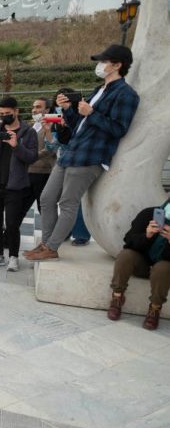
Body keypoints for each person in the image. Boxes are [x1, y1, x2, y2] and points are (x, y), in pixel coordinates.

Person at [28, 44, 140, 262]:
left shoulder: (126, 94)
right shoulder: (99, 90)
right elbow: (79, 123)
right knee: (47, 197)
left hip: (90, 157)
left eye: (104, 61)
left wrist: (92, 112)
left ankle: (51, 247)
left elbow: (119, 128)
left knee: (68, 203)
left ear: (117, 65)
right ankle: (46, 244)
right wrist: (68, 109)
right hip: (71, 152)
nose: (100, 65)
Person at [0, 97, 39, 272]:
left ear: (16, 111)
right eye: (2, 113)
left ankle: (13, 257)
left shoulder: (28, 132)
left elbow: (31, 157)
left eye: (8, 113)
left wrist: (16, 145)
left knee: (13, 224)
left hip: (15, 185)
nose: (5, 116)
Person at [108, 202, 170, 330]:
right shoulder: (148, 213)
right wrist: (146, 236)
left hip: (164, 270)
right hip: (144, 265)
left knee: (162, 268)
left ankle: (155, 308)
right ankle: (117, 297)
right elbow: (128, 240)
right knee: (126, 255)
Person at [25, 97, 57, 215]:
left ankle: (53, 233)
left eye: (38, 107)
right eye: (33, 107)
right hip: (28, 171)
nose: (34, 110)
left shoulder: (54, 125)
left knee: (44, 209)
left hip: (44, 172)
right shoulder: (31, 126)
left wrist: (30, 157)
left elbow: (52, 148)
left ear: (47, 110)